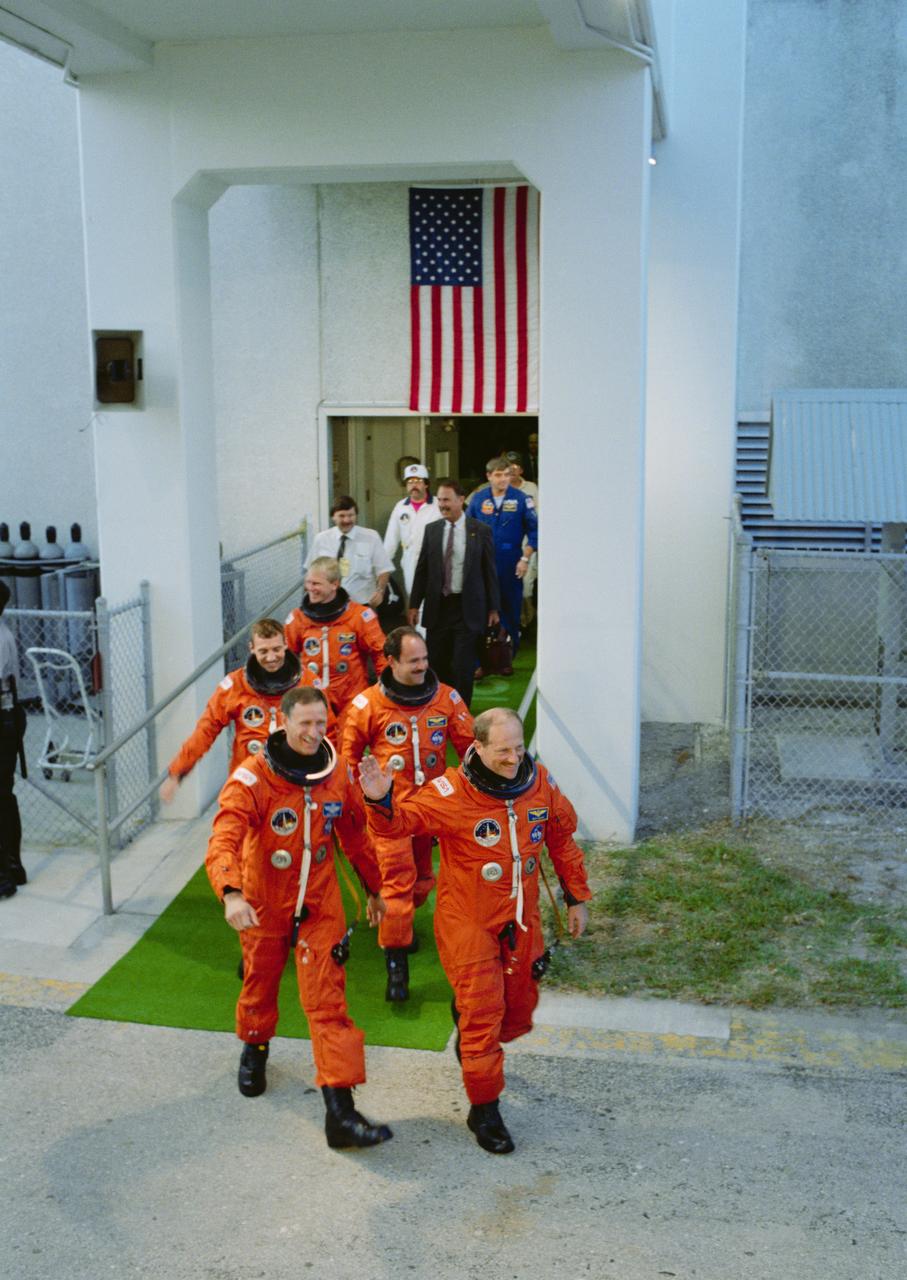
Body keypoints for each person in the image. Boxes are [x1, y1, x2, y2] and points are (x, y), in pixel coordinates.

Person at [359, 706, 590, 1155]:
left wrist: (576, 896)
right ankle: (484, 1109)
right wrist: (381, 800)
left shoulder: (538, 782)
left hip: (521, 919)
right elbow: (400, 825)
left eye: (519, 747)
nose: (512, 758)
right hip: (468, 922)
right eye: (502, 750)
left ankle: (468, 1027)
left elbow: (561, 837)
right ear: (477, 747)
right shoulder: (450, 792)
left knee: (515, 1010)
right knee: (483, 1013)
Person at [205, 686, 393, 1149]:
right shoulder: (253, 778)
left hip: (320, 905)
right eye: (303, 723)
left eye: (319, 723)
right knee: (260, 984)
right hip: (264, 902)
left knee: (328, 1006)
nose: (313, 733)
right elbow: (223, 837)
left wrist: (374, 888)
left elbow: (355, 835)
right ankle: (255, 1045)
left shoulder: (338, 775)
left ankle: (340, 1113)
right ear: (283, 723)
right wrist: (231, 893)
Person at [341, 626, 474, 1001]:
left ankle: (401, 927)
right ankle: (396, 964)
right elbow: (348, 761)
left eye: (425, 659)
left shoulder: (446, 699)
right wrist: (361, 808)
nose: (422, 666)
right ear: (391, 661)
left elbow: (470, 752)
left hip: (431, 811)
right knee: (396, 886)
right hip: (389, 812)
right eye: (413, 661)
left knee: (421, 883)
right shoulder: (367, 705)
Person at [159, 617, 332, 803]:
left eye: (276, 649)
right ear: (251, 648)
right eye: (263, 651)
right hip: (249, 782)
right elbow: (205, 731)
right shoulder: (234, 686)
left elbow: (329, 732)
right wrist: (177, 771)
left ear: (285, 645)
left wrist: (329, 783)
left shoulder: (307, 682)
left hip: (296, 780)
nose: (271, 657)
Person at [408, 479, 500, 708]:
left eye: (447, 499)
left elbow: (490, 572)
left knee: (462, 666)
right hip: (438, 608)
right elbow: (422, 570)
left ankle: (461, 715)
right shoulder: (432, 530)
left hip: (467, 609)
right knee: (438, 663)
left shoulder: (480, 531)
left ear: (461, 500)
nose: (442, 505)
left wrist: (493, 608)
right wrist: (413, 604)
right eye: (440, 500)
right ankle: (439, 711)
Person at [284, 557, 387, 724]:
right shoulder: (297, 618)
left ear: (335, 584)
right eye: (308, 583)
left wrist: (383, 689)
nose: (310, 588)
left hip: (351, 698)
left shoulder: (360, 616)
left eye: (316, 584)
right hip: (311, 698)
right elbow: (285, 657)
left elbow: (381, 652)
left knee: (349, 747)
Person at [466, 456, 538, 658]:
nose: (503, 479)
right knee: (481, 608)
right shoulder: (479, 499)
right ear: (489, 476)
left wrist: (525, 559)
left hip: (511, 560)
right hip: (482, 561)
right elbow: (467, 529)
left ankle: (508, 655)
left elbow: (535, 532)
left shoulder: (522, 499)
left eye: (506, 475)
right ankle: (481, 658)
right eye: (498, 475)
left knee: (510, 607)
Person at [306, 496, 393, 610]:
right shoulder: (321, 539)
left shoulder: (371, 537)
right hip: (328, 604)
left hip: (362, 604)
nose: (346, 520)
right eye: (341, 516)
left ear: (356, 516)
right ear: (333, 517)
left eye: (351, 515)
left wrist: (380, 591)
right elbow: (310, 571)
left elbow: (383, 569)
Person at [0, 582, 27, 898]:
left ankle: (7, 871)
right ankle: (12, 866)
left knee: (2, 795)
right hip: (8, 720)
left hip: (4, 722)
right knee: (4, 795)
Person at [383, 463, 443, 603]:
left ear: (426, 484)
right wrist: (383, 566)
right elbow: (391, 539)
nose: (413, 485)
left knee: (435, 602)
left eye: (418, 481)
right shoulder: (400, 507)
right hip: (411, 563)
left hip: (435, 562)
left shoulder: (438, 505)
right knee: (415, 602)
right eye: (410, 482)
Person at [504, 451, 539, 630]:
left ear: (521, 469)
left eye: (515, 466)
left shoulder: (531, 488)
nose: (512, 469)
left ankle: (526, 622)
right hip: (505, 544)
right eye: (508, 466)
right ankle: (511, 625)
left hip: (528, 544)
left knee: (526, 585)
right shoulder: (497, 488)